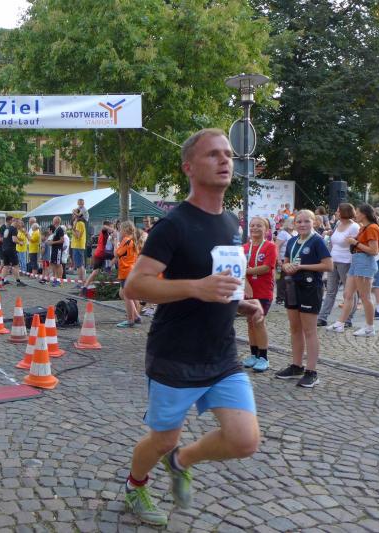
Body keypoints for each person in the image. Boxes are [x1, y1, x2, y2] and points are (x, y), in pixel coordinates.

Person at [120, 129, 263, 526]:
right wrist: (196, 288)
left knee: (244, 439)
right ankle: (135, 486)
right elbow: (135, 286)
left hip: (221, 354)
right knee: (162, 438)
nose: (225, 160)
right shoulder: (173, 225)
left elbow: (217, 282)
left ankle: (182, 460)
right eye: (213, 154)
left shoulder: (232, 222)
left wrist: (239, 303)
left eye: (228, 154)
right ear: (188, 167)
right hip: (175, 354)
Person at [274, 210, 333, 387]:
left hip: (310, 288)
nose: (302, 224)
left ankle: (311, 371)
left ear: (314, 222)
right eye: (299, 222)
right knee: (294, 328)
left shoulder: (317, 241)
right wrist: (286, 266)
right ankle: (296, 366)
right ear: (294, 224)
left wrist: (301, 267)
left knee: (309, 330)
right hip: (292, 287)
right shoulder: (292, 241)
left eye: (306, 221)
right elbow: (285, 262)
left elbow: (328, 266)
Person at [326, 204, 379, 336]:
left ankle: (369, 327)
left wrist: (355, 242)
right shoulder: (363, 227)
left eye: (358, 212)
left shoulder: (372, 228)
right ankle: (340, 323)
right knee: (347, 294)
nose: (355, 214)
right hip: (356, 261)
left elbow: (374, 251)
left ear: (364, 214)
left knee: (365, 297)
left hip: (364, 263)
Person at [242, 217, 278, 372]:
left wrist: (246, 271)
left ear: (266, 230)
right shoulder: (244, 247)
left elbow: (267, 267)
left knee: (258, 321)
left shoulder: (270, 246)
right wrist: (246, 282)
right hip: (247, 290)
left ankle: (264, 357)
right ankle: (254, 354)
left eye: (259, 225)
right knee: (250, 322)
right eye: (252, 225)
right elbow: (239, 269)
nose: (255, 228)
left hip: (263, 291)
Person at [317, 203, 359, 327]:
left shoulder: (354, 227)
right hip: (333, 260)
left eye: (338, 211)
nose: (336, 213)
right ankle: (322, 317)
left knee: (349, 291)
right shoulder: (338, 223)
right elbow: (334, 241)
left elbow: (356, 244)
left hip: (346, 261)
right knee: (330, 290)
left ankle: (348, 319)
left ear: (344, 212)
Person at [115, 221, 140, 328]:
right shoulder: (133, 241)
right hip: (131, 270)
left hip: (126, 272)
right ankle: (136, 316)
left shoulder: (125, 240)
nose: (120, 231)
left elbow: (116, 254)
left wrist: (115, 242)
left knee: (127, 296)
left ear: (125, 230)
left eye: (120, 229)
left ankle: (130, 320)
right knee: (127, 294)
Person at [81, 220, 113, 293]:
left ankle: (85, 287)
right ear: (108, 226)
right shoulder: (104, 231)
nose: (111, 228)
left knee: (95, 272)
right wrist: (112, 230)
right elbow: (104, 227)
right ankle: (108, 268)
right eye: (111, 226)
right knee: (117, 256)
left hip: (98, 253)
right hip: (101, 252)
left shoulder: (106, 233)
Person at [0, 215, 24, 287]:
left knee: (6, 266)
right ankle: (18, 282)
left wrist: (18, 238)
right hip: (11, 249)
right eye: (19, 223)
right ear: (16, 222)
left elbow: (7, 238)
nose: (20, 225)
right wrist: (20, 242)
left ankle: (2, 281)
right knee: (16, 265)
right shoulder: (14, 229)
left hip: (4, 249)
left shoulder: (7, 229)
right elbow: (14, 239)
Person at [47, 216, 65, 286]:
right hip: (54, 249)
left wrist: (53, 242)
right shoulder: (56, 230)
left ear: (56, 221)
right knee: (54, 264)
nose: (52, 221)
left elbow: (62, 240)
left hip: (58, 249)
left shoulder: (60, 229)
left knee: (58, 264)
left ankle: (59, 280)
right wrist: (51, 242)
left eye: (53, 220)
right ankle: (56, 279)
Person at [70, 211, 87, 282]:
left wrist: (71, 229)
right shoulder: (78, 223)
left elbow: (77, 236)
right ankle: (81, 281)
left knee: (79, 265)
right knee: (79, 265)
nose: (72, 215)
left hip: (78, 246)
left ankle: (81, 282)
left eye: (73, 214)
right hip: (77, 246)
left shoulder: (79, 223)